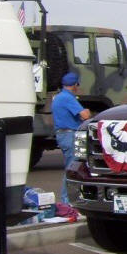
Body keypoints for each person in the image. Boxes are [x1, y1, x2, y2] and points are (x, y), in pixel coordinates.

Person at [51, 72, 91, 204]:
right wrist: (87, 110)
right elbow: (85, 116)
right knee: (72, 168)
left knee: (72, 166)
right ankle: (67, 200)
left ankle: (68, 199)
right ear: (75, 85)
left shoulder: (59, 97)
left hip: (63, 134)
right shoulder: (68, 98)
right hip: (70, 135)